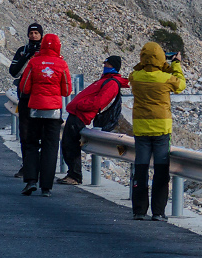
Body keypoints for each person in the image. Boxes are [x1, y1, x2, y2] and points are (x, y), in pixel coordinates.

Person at [128, 41, 187, 220]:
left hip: (141, 129)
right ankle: (158, 212)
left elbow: (137, 69)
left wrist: (148, 63)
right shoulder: (166, 78)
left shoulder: (135, 77)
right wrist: (174, 64)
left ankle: (139, 210)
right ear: (161, 58)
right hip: (161, 129)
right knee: (161, 171)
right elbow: (181, 85)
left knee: (141, 169)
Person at [18, 32, 72, 197]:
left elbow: (24, 87)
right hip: (53, 113)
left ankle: (31, 180)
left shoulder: (34, 62)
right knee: (50, 148)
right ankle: (46, 187)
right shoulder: (62, 64)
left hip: (34, 110)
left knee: (32, 145)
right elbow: (67, 90)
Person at [60, 56, 128, 185]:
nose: (104, 65)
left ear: (113, 66)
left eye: (107, 63)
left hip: (81, 115)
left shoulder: (112, 83)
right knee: (68, 145)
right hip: (77, 114)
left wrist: (79, 104)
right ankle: (72, 174)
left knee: (71, 145)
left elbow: (99, 103)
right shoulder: (106, 80)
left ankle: (75, 176)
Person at [7, 23, 45, 181]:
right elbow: (14, 72)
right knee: (25, 133)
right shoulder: (22, 51)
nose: (34, 36)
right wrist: (26, 56)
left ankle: (41, 165)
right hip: (25, 97)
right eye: (31, 33)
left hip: (42, 98)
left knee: (41, 133)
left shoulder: (46, 52)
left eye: (37, 33)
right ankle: (27, 165)